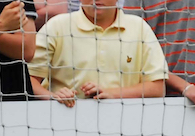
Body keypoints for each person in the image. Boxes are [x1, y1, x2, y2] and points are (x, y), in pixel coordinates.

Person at [27, 0, 169, 108]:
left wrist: (112, 93)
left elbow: (157, 88)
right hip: (65, 126)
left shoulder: (139, 27)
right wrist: (54, 97)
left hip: (127, 125)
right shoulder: (57, 26)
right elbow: (28, 80)